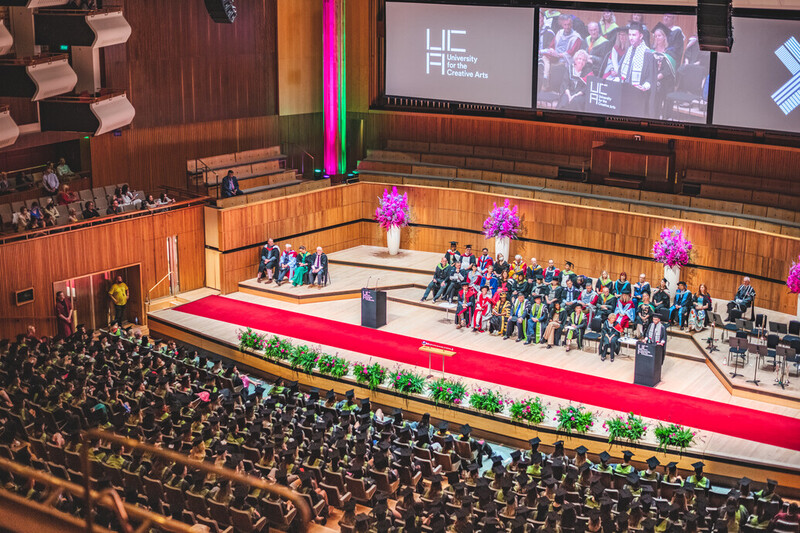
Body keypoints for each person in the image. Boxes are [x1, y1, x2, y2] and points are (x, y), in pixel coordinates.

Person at [618, 21, 656, 116]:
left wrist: (644, 86)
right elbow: (621, 70)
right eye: (630, 34)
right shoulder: (629, 50)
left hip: (639, 94)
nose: (631, 37)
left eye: (634, 35)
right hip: (625, 91)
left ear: (641, 36)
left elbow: (651, 77)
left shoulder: (647, 54)